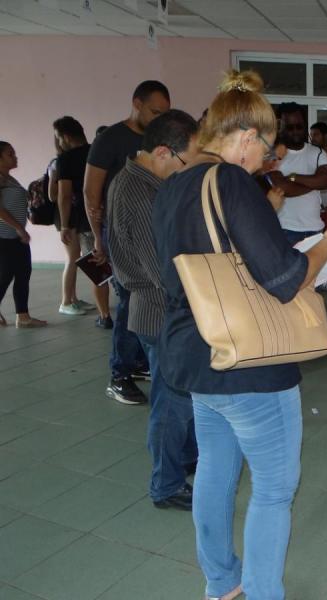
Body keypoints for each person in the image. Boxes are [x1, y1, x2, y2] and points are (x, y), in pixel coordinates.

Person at [151, 69, 327, 600]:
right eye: (266, 150)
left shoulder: (172, 187)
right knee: (274, 489)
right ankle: (264, 592)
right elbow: (285, 278)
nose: (269, 161)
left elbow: (204, 259)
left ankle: (221, 582)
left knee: (216, 471)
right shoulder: (232, 181)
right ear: (244, 138)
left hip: (195, 357)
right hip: (250, 365)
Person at [106, 109, 200, 507]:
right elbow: (163, 272)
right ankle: (166, 485)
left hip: (163, 310)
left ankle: (184, 460)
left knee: (183, 396)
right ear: (162, 152)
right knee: (172, 401)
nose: (185, 170)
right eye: (185, 161)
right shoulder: (139, 194)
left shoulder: (142, 181)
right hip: (161, 313)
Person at [85, 80, 170, 404]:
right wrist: (98, 238)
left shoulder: (157, 138)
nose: (158, 118)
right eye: (154, 111)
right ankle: (119, 374)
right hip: (119, 233)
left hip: (149, 229)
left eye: (164, 113)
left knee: (144, 305)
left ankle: (138, 362)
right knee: (131, 303)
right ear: (136, 103)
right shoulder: (111, 139)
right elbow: (91, 192)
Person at [268, 103, 327, 293]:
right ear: (281, 127)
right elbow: (282, 189)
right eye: (289, 127)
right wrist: (313, 181)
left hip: (315, 230)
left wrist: (293, 177)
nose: (295, 131)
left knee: (312, 287)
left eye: (299, 126)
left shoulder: (316, 152)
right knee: (290, 285)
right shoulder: (274, 155)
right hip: (286, 230)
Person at [52, 116, 102, 318]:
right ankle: (67, 300)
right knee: (83, 258)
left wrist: (64, 225)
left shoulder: (65, 159)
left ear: (64, 136)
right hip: (87, 213)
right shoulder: (95, 151)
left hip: (70, 216)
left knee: (75, 258)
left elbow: (63, 195)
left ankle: (70, 300)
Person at [0, 142, 46, 328]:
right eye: (10, 154)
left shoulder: (9, 180)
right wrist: (19, 228)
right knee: (4, 276)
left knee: (23, 273)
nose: (15, 157)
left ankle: (23, 316)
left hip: (17, 238)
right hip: (4, 237)